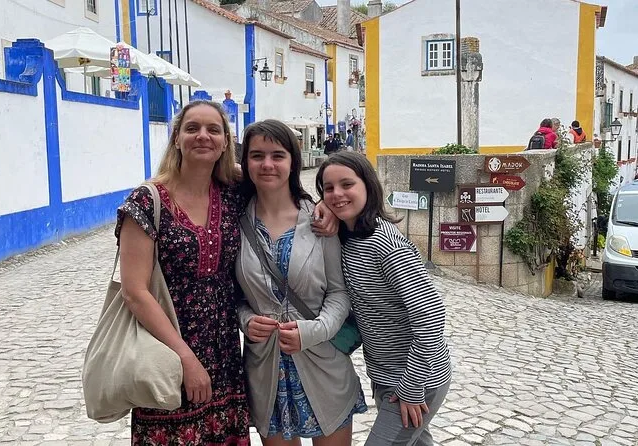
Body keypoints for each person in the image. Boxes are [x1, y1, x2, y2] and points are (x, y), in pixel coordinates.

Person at [115, 101, 336, 444]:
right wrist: (185, 359)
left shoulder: (230, 193)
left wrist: (322, 205)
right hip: (168, 350)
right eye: (192, 128)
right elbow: (134, 292)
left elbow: (273, 178)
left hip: (226, 356)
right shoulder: (147, 201)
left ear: (224, 143)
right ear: (176, 138)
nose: (203, 136)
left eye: (213, 130)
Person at [236, 120, 367, 446]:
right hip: (266, 370)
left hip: (321, 361)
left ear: (293, 161)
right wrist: (246, 320)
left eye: (277, 155)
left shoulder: (320, 220)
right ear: (245, 162)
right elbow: (233, 295)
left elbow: (339, 291)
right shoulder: (235, 221)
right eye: (257, 155)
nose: (267, 164)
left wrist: (316, 330)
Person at [316, 152, 452, 446]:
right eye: (328, 188)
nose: (337, 194)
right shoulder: (345, 236)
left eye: (347, 185)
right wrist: (322, 206)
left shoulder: (386, 245)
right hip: (384, 375)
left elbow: (431, 315)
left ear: (368, 186)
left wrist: (412, 387)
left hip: (416, 380)